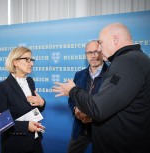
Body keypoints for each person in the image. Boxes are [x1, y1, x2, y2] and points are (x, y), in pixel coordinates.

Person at [53, 23, 150, 153]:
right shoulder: (135, 59)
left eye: (101, 43)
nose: (100, 49)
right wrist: (77, 110)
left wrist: (72, 90)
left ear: (115, 39)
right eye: (90, 52)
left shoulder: (126, 62)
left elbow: (98, 108)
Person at [0, 47, 46, 153]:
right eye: (27, 60)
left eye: (32, 60)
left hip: (35, 141)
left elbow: (33, 109)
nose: (31, 64)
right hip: (15, 145)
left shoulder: (30, 81)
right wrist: (26, 126)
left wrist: (42, 102)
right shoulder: (3, 87)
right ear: (15, 62)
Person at [67, 40, 108, 153]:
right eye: (89, 52)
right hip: (80, 129)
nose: (93, 56)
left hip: (101, 130)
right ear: (86, 55)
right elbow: (72, 99)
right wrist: (75, 110)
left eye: (96, 51)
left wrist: (93, 116)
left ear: (102, 52)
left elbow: (112, 102)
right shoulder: (79, 75)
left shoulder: (111, 73)